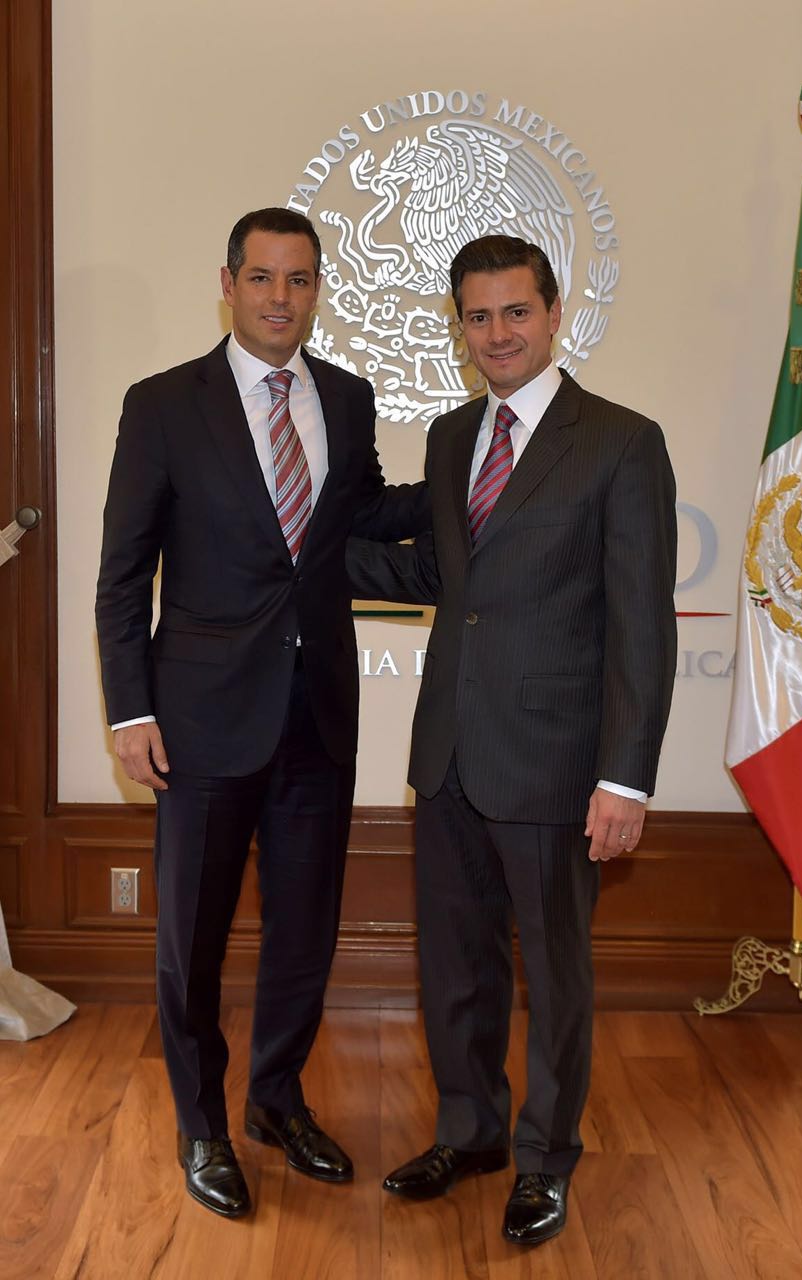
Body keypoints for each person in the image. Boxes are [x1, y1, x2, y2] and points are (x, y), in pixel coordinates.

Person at [95, 207, 428, 1219]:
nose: (281, 298)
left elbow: (361, 515)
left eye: (299, 279)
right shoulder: (163, 404)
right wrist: (129, 710)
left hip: (316, 713)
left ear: (318, 288)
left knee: (304, 929)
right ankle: (201, 1123)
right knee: (191, 937)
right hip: (198, 720)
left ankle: (275, 1099)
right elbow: (123, 574)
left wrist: (467, 476)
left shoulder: (348, 397)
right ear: (228, 284)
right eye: (262, 277)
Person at [348, 234, 677, 1246]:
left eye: (516, 312)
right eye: (479, 316)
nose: (497, 333)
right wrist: (300, 554)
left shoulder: (620, 441)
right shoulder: (453, 436)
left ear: (554, 312)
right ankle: (470, 1132)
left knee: (555, 974)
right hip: (447, 750)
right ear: (460, 326)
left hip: (555, 762)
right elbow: (449, 576)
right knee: (455, 965)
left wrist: (624, 778)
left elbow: (641, 624)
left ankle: (544, 1159)